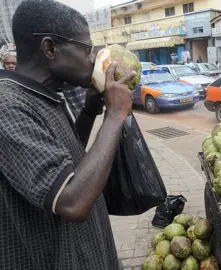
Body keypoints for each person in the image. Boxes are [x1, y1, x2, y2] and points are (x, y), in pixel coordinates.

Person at [0, 0, 136, 268]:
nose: (92, 59)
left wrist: (89, 111)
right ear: (50, 48)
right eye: (86, 49)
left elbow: (68, 160)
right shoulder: (8, 107)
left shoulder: (46, 97)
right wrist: (114, 116)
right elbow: (73, 203)